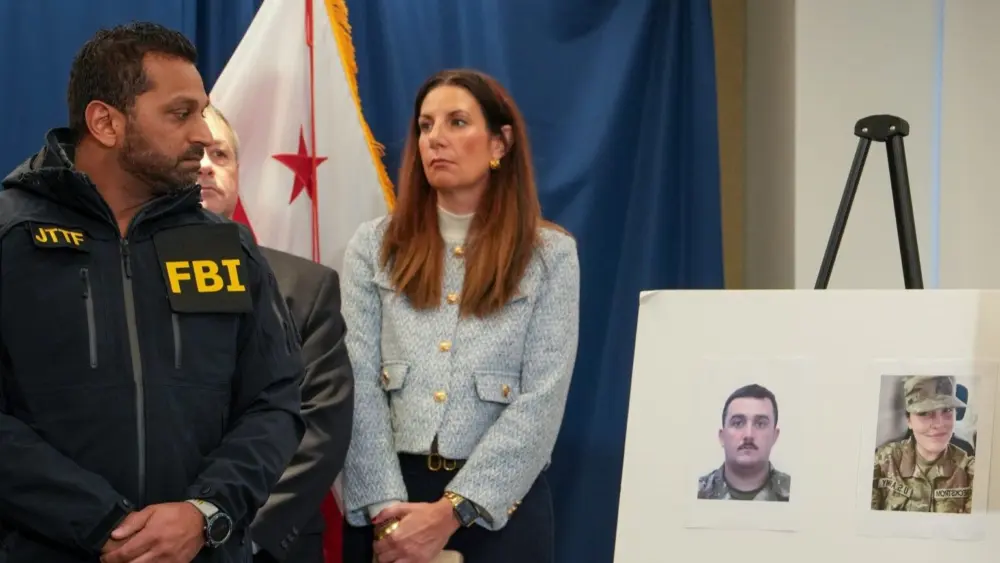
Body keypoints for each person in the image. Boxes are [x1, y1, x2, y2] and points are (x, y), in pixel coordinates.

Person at [0, 23, 305, 563]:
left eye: (203, 112)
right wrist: (102, 524)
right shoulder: (11, 237)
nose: (203, 135)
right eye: (180, 113)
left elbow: (275, 402)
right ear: (105, 123)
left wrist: (205, 511)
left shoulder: (226, 247)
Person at [339, 69, 580, 563]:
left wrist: (454, 511)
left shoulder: (549, 254)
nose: (436, 139)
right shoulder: (374, 246)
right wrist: (390, 515)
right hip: (392, 506)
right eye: (425, 126)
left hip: (500, 510)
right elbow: (356, 382)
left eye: (457, 122)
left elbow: (542, 399)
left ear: (499, 143)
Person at [197, 104, 355, 563]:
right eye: (193, 153)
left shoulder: (305, 286)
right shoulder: (121, 278)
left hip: (263, 545)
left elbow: (320, 426)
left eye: (220, 154)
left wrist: (224, 530)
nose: (206, 165)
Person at [871, 376, 974, 513]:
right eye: (924, 413)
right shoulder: (884, 462)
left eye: (947, 410)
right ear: (909, 420)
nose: (939, 424)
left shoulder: (969, 471)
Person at [697, 384, 791, 502]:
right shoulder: (697, 492)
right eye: (737, 423)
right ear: (722, 436)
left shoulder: (797, 492)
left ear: (774, 436)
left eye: (760, 424)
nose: (748, 435)